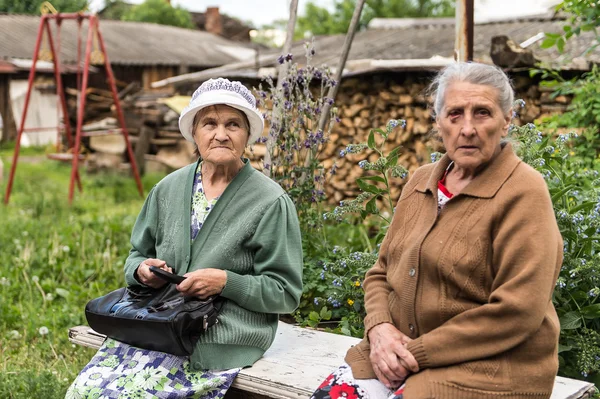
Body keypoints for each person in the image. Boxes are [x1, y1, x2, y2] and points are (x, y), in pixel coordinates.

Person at [312, 62, 563, 399]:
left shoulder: (524, 191)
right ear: (438, 121)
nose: (468, 128)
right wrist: (381, 329)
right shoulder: (421, 181)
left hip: (488, 368)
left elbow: (518, 311)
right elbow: (380, 273)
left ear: (507, 121)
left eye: (483, 113)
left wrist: (415, 353)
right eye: (455, 113)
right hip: (394, 352)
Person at [67, 78, 303, 399]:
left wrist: (225, 282)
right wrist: (142, 271)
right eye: (209, 123)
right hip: (159, 328)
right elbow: (136, 256)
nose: (221, 134)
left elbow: (285, 293)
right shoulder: (168, 188)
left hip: (220, 338)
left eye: (233, 124)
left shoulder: (270, 202)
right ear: (194, 132)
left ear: (247, 135)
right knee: (85, 393)